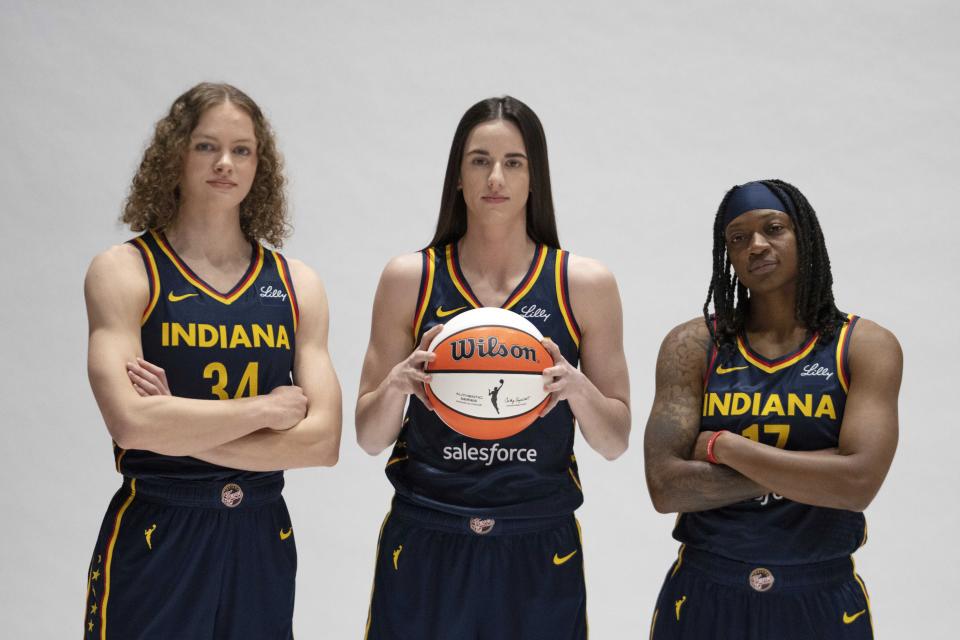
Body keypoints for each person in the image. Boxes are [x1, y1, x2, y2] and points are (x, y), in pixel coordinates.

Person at [355, 96, 630, 639]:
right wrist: (396, 384)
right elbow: (367, 436)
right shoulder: (410, 278)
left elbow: (616, 439)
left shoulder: (584, 283)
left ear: (536, 177)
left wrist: (578, 389)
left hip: (536, 542)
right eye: (479, 160)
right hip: (429, 534)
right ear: (458, 175)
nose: (495, 177)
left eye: (514, 161)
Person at [82, 82, 341, 639]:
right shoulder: (125, 270)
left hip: (261, 527)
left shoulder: (298, 284)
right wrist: (266, 409)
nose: (225, 163)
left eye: (242, 150)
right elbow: (129, 423)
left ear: (259, 165)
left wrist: (173, 420)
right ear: (176, 153)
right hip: (160, 521)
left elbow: (322, 444)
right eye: (206, 146)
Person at [643, 180, 902, 639]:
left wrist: (726, 447)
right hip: (707, 590)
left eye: (773, 228)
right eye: (737, 238)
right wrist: (819, 472)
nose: (756, 245)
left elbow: (858, 485)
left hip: (819, 594)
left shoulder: (864, 346)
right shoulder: (693, 345)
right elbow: (667, 488)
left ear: (805, 234)